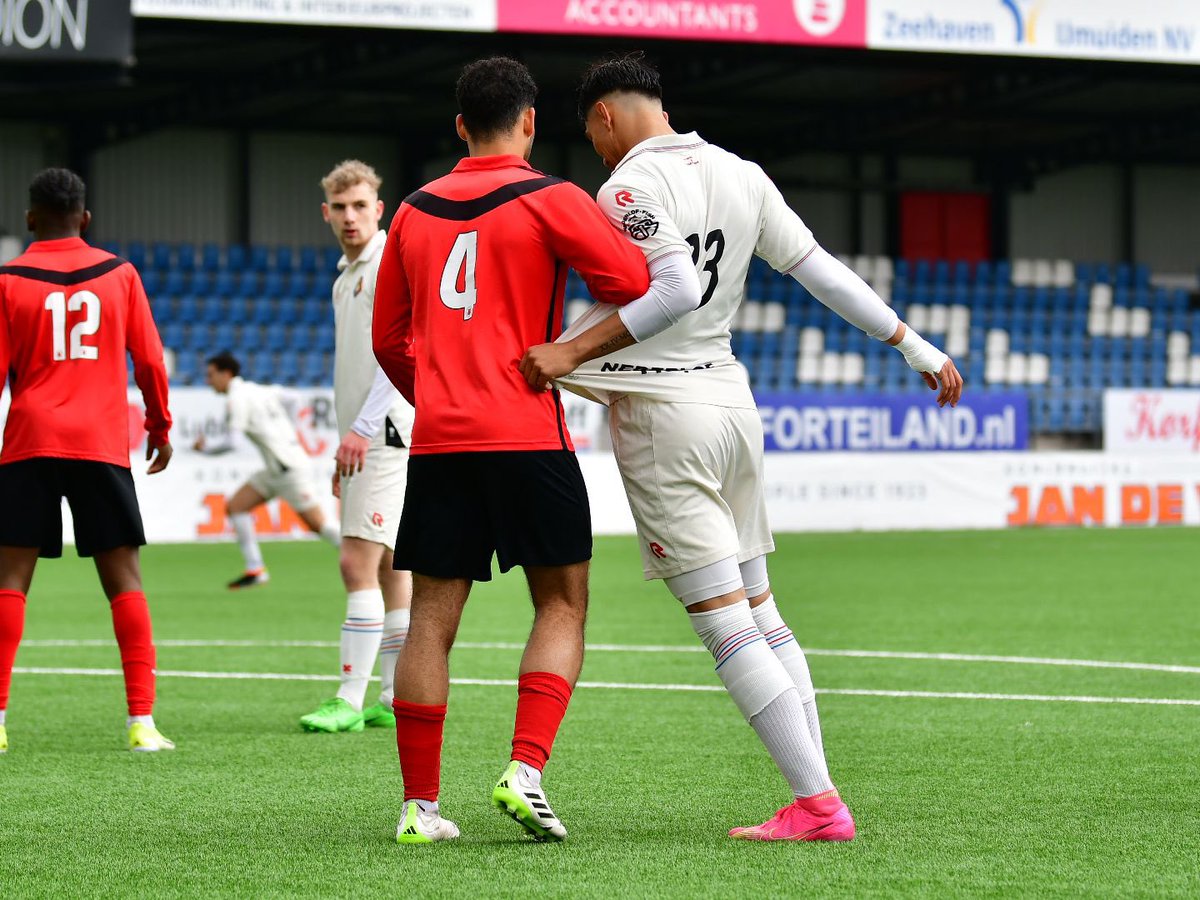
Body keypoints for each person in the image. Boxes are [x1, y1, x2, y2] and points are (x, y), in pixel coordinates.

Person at [520, 53, 964, 841]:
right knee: (764, 611)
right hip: (733, 403)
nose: (596, 149)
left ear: (604, 118)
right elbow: (819, 271)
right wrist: (913, 344)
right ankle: (813, 793)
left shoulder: (625, 188)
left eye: (591, 135)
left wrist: (570, 353)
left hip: (670, 419)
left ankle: (820, 804)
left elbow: (673, 290)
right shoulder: (742, 172)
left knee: (726, 623)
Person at [372, 56, 650, 845]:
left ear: (460, 125)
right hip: (528, 433)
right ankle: (524, 771)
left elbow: (387, 339)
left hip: (442, 443)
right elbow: (632, 280)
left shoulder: (415, 212)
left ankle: (418, 809)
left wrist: (439, 398)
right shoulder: (551, 197)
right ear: (529, 121)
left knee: (429, 618)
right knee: (561, 602)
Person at [0, 168, 177, 754]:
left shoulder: (8, 279)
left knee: (10, 583)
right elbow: (149, 360)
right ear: (86, 217)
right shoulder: (119, 274)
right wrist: (159, 425)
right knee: (123, 581)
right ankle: (142, 722)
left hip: (28, 440)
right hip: (99, 444)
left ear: (30, 220)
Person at [296, 160, 415, 735]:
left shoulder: (388, 265)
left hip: (386, 431)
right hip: (376, 433)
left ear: (379, 208)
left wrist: (362, 430)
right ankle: (392, 696)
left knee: (356, 561)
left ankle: (349, 696)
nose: (349, 217)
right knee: (392, 565)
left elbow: (401, 354)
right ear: (327, 212)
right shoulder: (347, 276)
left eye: (359, 206)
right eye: (340, 208)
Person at [193, 350, 340, 588]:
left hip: (289, 470)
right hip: (276, 469)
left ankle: (364, 558)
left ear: (226, 373)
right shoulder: (257, 389)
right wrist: (289, 432)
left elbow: (233, 443)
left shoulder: (236, 399)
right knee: (236, 506)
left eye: (211, 375)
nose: (208, 381)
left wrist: (205, 449)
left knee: (320, 525)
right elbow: (293, 397)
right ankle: (255, 569)